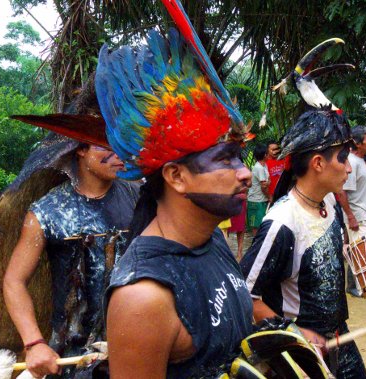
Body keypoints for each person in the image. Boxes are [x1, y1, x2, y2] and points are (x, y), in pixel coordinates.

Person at [98, 27, 254, 378]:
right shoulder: (143, 297)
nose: (244, 174)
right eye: (226, 160)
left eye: (239, 159)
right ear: (176, 177)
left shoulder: (210, 239)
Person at [241, 38, 366, 379]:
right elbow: (246, 295)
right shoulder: (282, 222)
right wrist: (296, 336)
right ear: (317, 163)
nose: (348, 166)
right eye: (343, 158)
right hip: (302, 356)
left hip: (341, 340)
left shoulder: (329, 203)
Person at [1, 77, 139, 378]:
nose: (120, 156)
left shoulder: (141, 197)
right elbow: (14, 281)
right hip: (70, 355)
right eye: (107, 145)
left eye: (122, 146)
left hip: (135, 346)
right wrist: (34, 342)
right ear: (80, 149)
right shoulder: (46, 213)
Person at [336, 125, 366, 297]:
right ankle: (356, 287)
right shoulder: (351, 162)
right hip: (357, 215)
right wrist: (350, 217)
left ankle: (354, 286)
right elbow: (342, 191)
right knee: (359, 251)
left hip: (363, 212)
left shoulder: (361, 161)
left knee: (359, 250)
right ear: (358, 143)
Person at [247, 143, 270, 237]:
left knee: (262, 224)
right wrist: (269, 196)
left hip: (262, 199)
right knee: (257, 226)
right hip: (256, 200)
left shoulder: (264, 166)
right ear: (265, 155)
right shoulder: (259, 168)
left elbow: (266, 182)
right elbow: (264, 185)